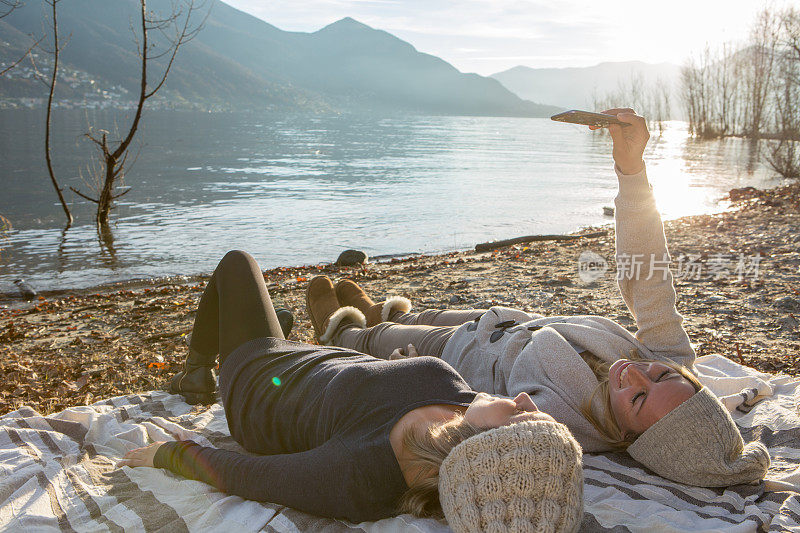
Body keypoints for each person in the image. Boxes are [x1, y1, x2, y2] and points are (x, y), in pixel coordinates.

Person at [310, 108, 771, 488]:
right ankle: (375, 312)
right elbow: (647, 274)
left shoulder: (562, 425)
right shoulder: (669, 355)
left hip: (461, 355)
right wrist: (632, 169)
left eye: (636, 399)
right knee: (410, 311)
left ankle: (346, 329)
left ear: (634, 439)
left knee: (368, 336)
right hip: (502, 320)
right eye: (660, 374)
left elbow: (468, 423)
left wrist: (413, 378)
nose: (636, 373)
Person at [119, 250, 584, 532]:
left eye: (524, 417)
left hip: (259, 380)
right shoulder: (460, 400)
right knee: (279, 319)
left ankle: (198, 371)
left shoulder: (358, 478)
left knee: (238, 265)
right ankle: (284, 328)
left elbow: (248, 474)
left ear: (482, 449)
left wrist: (169, 455)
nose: (525, 401)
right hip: (318, 362)